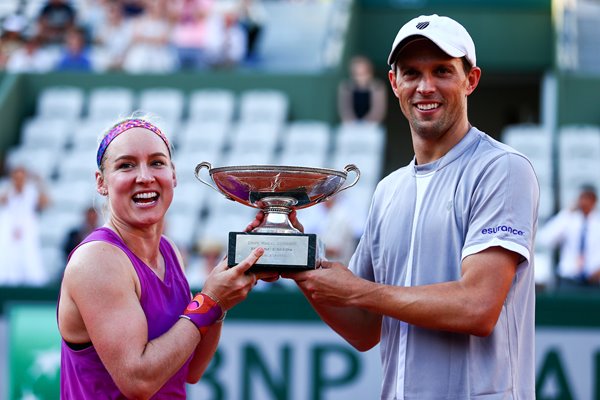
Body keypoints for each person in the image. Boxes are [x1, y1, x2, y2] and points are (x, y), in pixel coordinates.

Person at [253, 14, 539, 399]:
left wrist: (357, 291)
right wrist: (299, 260)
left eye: (442, 71)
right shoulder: (389, 189)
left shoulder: (502, 169)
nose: (425, 87)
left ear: (470, 80)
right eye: (411, 73)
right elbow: (364, 329)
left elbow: (478, 307)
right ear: (394, 83)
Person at [57, 115, 276, 398]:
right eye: (126, 165)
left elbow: (191, 370)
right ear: (101, 182)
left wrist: (221, 297)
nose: (145, 176)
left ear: (173, 174)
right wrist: (210, 300)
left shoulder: (168, 250)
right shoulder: (98, 259)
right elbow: (138, 380)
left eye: (157, 163)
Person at [537, 184, 600, 288]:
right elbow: (545, 239)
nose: (585, 202)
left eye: (589, 198)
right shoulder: (568, 219)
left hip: (594, 281)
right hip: (569, 280)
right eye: (583, 197)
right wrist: (567, 212)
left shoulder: (598, 223)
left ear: (594, 201)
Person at [0, 165, 50, 286]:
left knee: (29, 256)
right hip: (9, 232)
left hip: (27, 231)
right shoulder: (7, 190)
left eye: (21, 178)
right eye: (16, 178)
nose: (19, 181)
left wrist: (39, 183)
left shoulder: (31, 192)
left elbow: (45, 203)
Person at [337, 55, 387, 124]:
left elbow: (378, 110)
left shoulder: (377, 87)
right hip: (350, 125)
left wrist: (367, 122)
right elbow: (345, 110)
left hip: (372, 125)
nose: (360, 77)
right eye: (357, 74)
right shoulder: (346, 87)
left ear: (370, 72)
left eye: (363, 73)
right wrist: (353, 123)